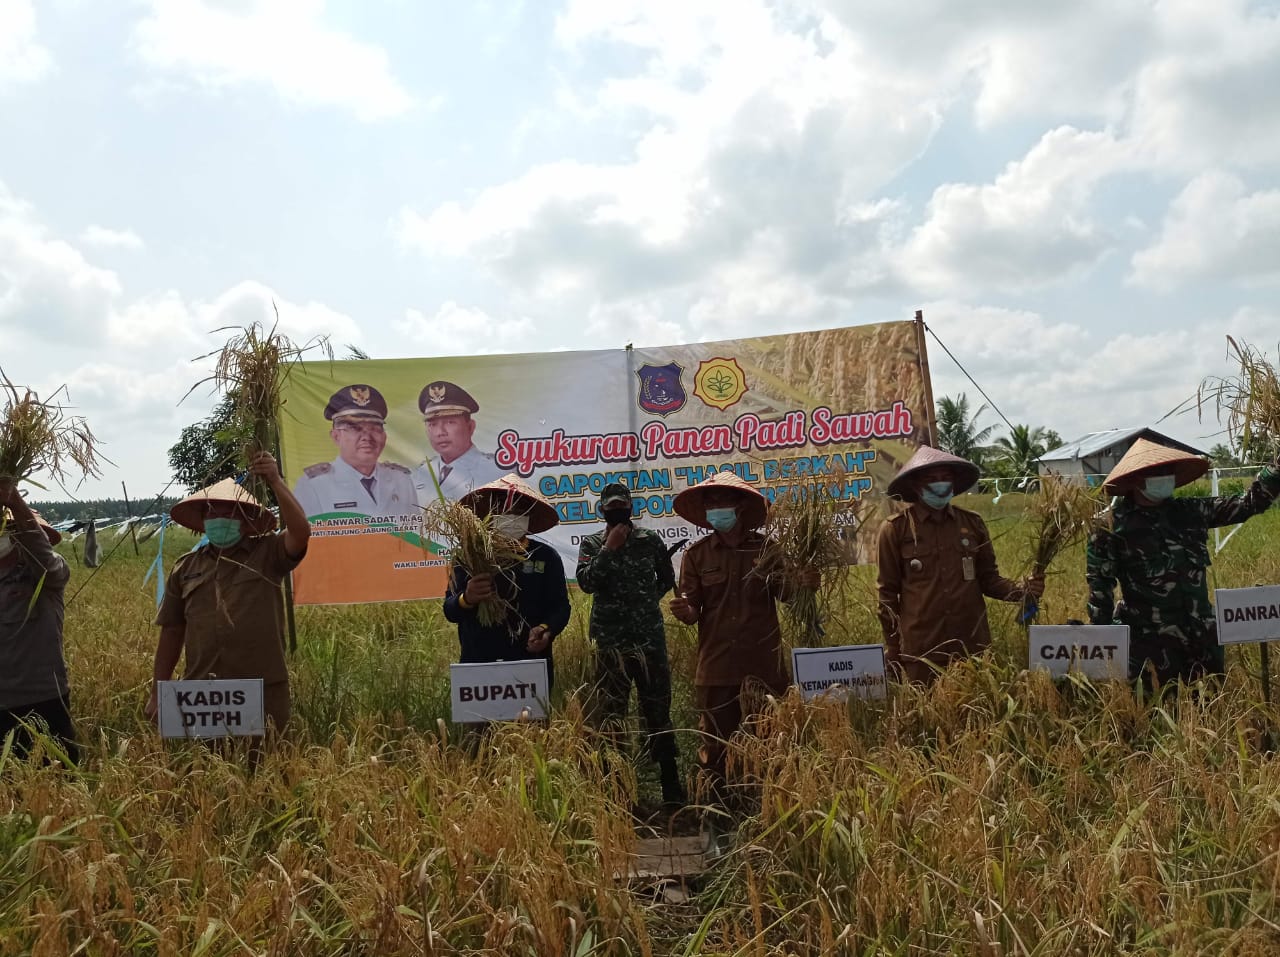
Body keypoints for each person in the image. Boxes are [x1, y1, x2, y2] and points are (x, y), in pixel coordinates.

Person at [668, 472, 819, 807]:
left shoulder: (767, 550)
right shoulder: (697, 555)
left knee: (767, 742)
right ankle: (717, 818)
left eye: (723, 502)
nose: (716, 509)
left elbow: (790, 596)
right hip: (717, 667)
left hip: (763, 666)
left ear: (739, 507)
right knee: (716, 747)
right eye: (711, 503)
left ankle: (764, 813)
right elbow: (693, 609)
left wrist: (806, 583)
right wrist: (684, 610)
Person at [1086, 438, 1280, 689]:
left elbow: (1247, 504)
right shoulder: (1110, 528)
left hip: (1202, 643)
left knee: (1210, 714)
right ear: (1135, 479)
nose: (1164, 477)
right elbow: (1100, 593)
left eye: (1168, 471)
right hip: (1151, 649)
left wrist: (1276, 469)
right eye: (1156, 473)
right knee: (1158, 719)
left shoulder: (1190, 511)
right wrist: (1105, 649)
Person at [146, 452, 309, 734]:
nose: (219, 517)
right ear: (203, 520)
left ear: (245, 520)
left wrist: (275, 480)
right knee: (206, 769)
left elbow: (301, 531)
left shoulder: (269, 554)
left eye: (229, 511)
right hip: (202, 695)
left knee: (266, 768)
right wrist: (157, 692)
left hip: (262, 692)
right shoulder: (186, 568)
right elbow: (172, 632)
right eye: (212, 511)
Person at [877, 446, 1044, 685]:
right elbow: (887, 596)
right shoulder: (896, 530)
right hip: (922, 651)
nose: (940, 484)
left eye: (945, 477)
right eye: (931, 479)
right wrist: (893, 647)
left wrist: (1023, 590)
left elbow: (989, 580)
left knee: (977, 717)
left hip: (971, 647)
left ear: (954, 482)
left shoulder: (972, 524)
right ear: (915, 485)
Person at [576, 482, 684, 807]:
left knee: (657, 712)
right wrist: (609, 549)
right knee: (613, 716)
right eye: (610, 508)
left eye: (621, 506)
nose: (616, 512)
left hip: (649, 640)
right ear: (602, 512)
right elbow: (586, 583)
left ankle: (671, 788)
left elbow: (666, 578)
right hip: (610, 643)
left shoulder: (649, 540)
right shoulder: (593, 542)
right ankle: (620, 793)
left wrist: (647, 602)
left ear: (631, 508)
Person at [443, 475, 571, 686]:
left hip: (530, 663)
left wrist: (546, 630)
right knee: (480, 720)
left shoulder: (545, 557)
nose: (511, 516)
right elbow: (450, 611)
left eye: (518, 512)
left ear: (529, 517)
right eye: (503, 511)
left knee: (532, 719)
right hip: (479, 663)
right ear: (490, 515)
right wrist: (467, 598)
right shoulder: (470, 556)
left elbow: (560, 608)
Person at [0, 481, 77, 763]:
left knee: (59, 785)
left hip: (44, 699)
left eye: (18, 531)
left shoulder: (48, 576)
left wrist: (15, 503)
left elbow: (43, 557)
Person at [293, 384, 416, 518]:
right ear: (336, 436)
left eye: (374, 428)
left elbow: (415, 533)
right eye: (355, 428)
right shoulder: (314, 485)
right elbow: (305, 537)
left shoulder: (401, 480)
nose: (366, 437)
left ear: (384, 437)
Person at [413, 381, 504, 501]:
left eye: (450, 422)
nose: (440, 432)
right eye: (433, 424)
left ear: (470, 427)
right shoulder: (419, 473)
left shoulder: (498, 470)